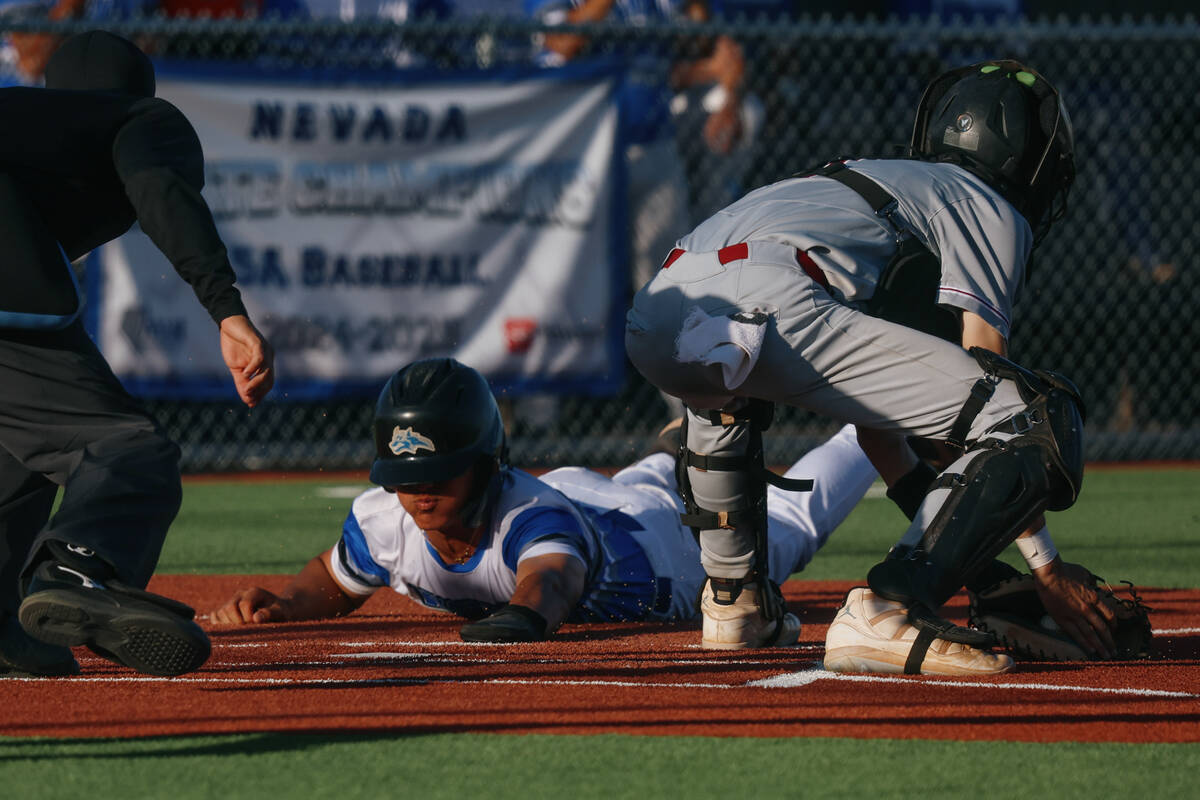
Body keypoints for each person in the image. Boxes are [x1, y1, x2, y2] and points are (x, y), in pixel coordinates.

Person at [625, 59, 1120, 674]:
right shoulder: (987, 202)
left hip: (657, 308)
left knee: (724, 388)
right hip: (773, 293)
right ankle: (888, 608)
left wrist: (984, 572)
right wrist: (1045, 568)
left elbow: (880, 432)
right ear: (1030, 160)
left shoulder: (870, 179)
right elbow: (986, 388)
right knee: (1031, 415)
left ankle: (735, 604)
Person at [211, 357, 878, 647]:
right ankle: (675, 458)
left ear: (482, 465)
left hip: (659, 557)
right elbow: (332, 577)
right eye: (404, 475)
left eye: (439, 471)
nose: (418, 490)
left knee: (785, 528)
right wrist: (282, 602)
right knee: (639, 490)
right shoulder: (385, 514)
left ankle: (878, 421)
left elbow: (548, 588)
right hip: (588, 498)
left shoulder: (531, 520)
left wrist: (520, 620)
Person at [0, 31, 275, 678]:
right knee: (126, 450)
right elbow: (159, 187)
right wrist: (226, 308)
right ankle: (78, 566)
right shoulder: (137, 117)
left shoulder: (25, 122)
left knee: (22, 451)